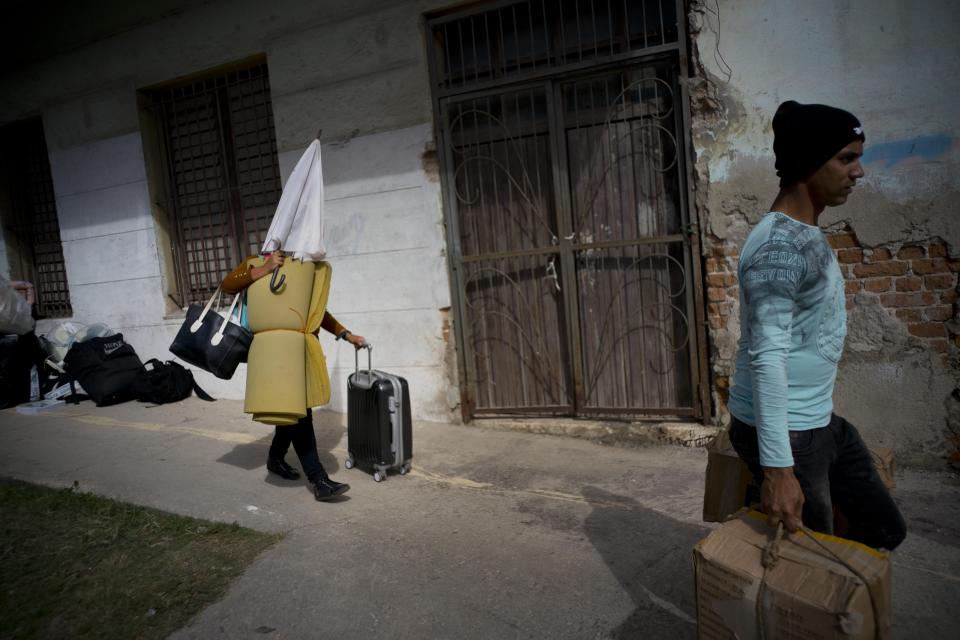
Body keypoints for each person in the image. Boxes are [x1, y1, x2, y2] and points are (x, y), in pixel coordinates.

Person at [726, 100, 906, 550]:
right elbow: (767, 359)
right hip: (789, 432)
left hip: (817, 422)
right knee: (813, 558)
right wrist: (780, 472)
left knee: (884, 529)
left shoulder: (806, 232)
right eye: (847, 158)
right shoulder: (777, 249)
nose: (859, 172)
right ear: (808, 162)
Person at [222, 249, 365, 501]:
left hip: (298, 352)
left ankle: (275, 460)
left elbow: (317, 312)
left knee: (289, 412)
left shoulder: (300, 267)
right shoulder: (258, 261)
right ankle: (318, 479)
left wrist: (346, 334)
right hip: (271, 354)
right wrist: (265, 269)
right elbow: (228, 285)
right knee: (300, 415)